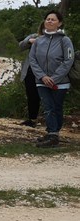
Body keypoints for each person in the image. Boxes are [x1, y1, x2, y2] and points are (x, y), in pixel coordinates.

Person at [29, 10, 74, 148]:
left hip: (59, 82)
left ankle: (54, 134)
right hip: (42, 81)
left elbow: (69, 60)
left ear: (59, 23)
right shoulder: (38, 40)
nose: (49, 21)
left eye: (53, 19)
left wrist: (54, 78)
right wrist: (43, 76)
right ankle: (51, 133)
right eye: (47, 19)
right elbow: (32, 59)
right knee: (48, 107)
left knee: (56, 107)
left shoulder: (64, 40)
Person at [18, 26, 42, 127]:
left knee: (47, 97)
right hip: (30, 70)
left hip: (45, 72)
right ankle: (32, 119)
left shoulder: (57, 39)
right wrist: (29, 41)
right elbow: (21, 46)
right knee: (31, 95)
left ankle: (51, 122)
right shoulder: (34, 36)